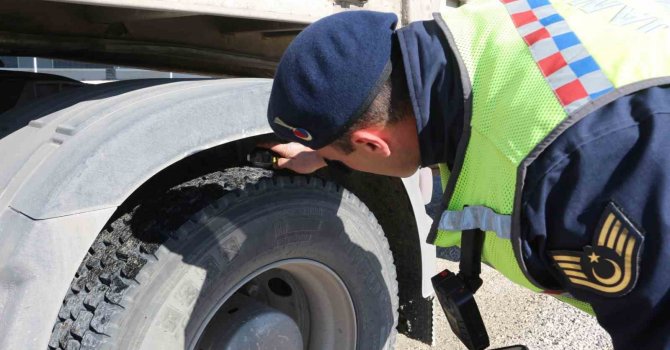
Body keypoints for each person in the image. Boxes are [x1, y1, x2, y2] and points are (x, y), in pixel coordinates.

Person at [262, 1, 670, 349]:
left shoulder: (582, 176)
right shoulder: (471, 41)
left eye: (346, 155)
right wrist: (329, 154)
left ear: (372, 144)